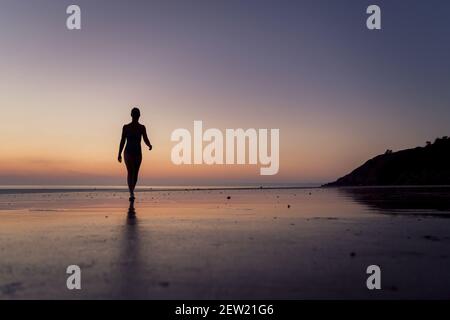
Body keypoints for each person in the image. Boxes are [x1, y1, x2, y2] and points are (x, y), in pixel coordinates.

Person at [118, 107, 152, 201]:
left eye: (137, 113)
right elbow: (122, 141)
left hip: (137, 153)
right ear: (131, 115)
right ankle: (131, 192)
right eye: (134, 113)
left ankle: (132, 190)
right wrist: (119, 153)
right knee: (130, 171)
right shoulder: (126, 127)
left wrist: (149, 144)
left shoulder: (142, 127)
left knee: (135, 173)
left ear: (139, 115)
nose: (136, 115)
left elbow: (145, 138)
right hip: (128, 152)